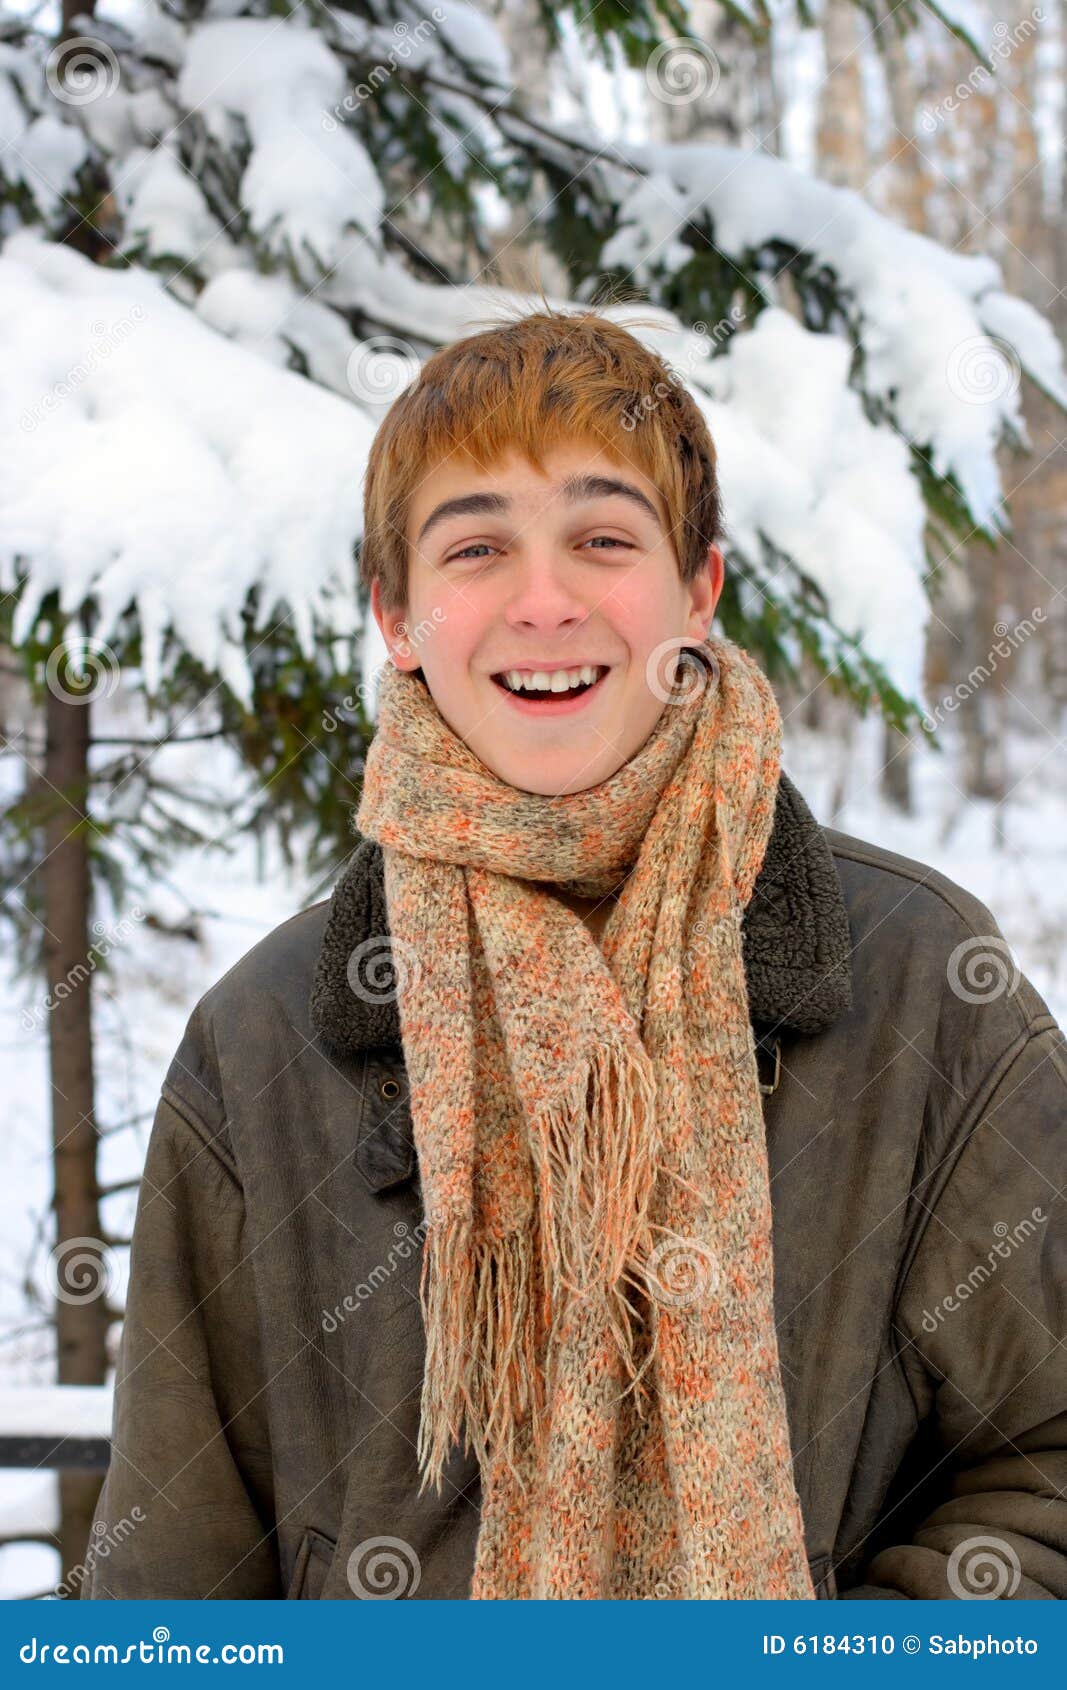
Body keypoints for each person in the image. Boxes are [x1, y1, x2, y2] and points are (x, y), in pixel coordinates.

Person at [81, 309, 1067, 1600]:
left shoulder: (917, 982)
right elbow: (176, 1575)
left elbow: (1049, 1456)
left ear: (699, 590)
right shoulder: (264, 1037)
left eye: (603, 539)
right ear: (395, 613)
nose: (544, 601)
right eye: (477, 546)